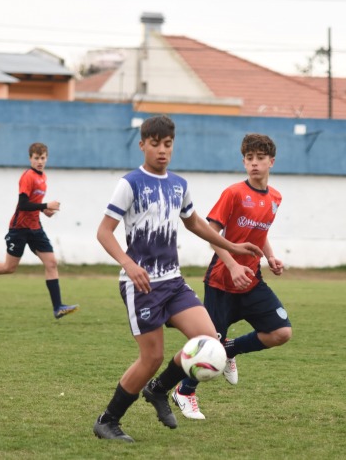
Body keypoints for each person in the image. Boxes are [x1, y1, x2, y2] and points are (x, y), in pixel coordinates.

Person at [92, 115, 263, 443]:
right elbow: (104, 232)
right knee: (152, 357)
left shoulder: (178, 185)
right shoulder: (130, 183)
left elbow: (196, 223)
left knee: (210, 341)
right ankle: (107, 420)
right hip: (141, 285)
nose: (161, 150)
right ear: (142, 145)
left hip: (172, 282)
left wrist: (232, 244)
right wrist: (129, 264)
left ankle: (158, 390)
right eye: (154, 144)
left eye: (167, 144)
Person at [171, 133, 292, 420]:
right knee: (208, 345)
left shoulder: (275, 197)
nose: (254, 163)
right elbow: (212, 235)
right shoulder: (233, 193)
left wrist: (270, 256)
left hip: (252, 280)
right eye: (249, 158)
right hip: (222, 281)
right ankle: (184, 392)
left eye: (260, 158)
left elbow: (260, 234)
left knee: (281, 332)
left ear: (271, 162)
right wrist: (233, 265)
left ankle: (230, 350)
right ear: (244, 162)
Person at [0, 142, 78, 320]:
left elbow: (33, 202)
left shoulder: (43, 177)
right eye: (36, 158)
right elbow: (23, 204)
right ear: (30, 158)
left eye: (42, 158)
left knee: (51, 263)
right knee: (9, 267)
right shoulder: (27, 177)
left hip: (35, 227)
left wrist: (44, 211)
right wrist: (45, 205)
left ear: (47, 158)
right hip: (19, 229)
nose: (39, 161)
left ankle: (57, 307)